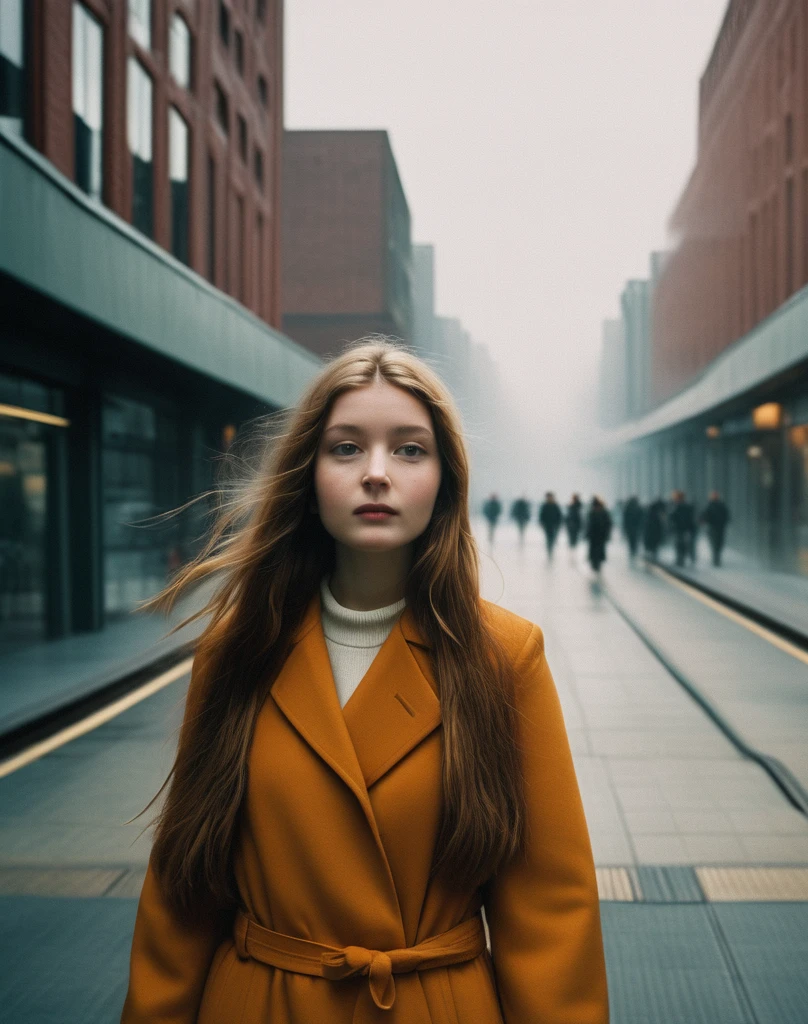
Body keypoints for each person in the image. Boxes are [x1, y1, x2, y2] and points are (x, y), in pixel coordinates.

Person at [120, 340, 609, 1023]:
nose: (376, 473)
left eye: (410, 450)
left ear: (444, 480)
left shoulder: (504, 658)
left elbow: (551, 912)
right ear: (308, 475)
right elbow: (183, 890)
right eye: (346, 448)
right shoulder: (238, 650)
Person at [700, 490, 731, 567]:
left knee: (717, 543)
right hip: (715, 527)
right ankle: (716, 557)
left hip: (717, 527)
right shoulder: (712, 505)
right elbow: (704, 515)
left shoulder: (716, 505)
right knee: (716, 543)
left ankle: (716, 557)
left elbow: (726, 516)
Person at [584, 496, 613, 574]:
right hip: (594, 536)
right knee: (594, 550)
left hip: (600, 535)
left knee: (599, 550)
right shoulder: (592, 513)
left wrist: (607, 533)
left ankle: (597, 564)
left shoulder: (603, 513)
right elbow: (588, 524)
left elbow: (608, 524)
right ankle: (594, 564)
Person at [668, 490, 696, 567]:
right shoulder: (686, 506)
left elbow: (672, 518)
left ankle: (680, 559)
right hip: (683, 529)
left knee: (680, 544)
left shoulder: (677, 507)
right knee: (681, 544)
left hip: (681, 529)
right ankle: (681, 559)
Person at [538, 492, 564, 560]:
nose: (549, 498)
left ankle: (551, 551)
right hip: (547, 525)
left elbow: (559, 516)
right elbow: (541, 515)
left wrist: (559, 524)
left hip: (554, 526)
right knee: (548, 539)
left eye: (550, 497)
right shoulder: (545, 506)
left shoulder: (555, 506)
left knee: (552, 539)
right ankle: (549, 552)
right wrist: (541, 523)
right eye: (548, 497)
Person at [641, 497, 666, 562]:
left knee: (652, 545)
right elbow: (659, 525)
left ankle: (652, 555)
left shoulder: (649, 514)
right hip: (655, 533)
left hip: (651, 533)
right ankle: (653, 556)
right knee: (654, 546)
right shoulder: (657, 515)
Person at [622, 496, 643, 561]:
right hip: (635, 527)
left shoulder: (627, 508)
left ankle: (632, 549)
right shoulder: (638, 508)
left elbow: (625, 519)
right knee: (634, 539)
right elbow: (641, 519)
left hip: (630, 528)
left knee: (631, 539)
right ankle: (634, 549)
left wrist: (625, 527)